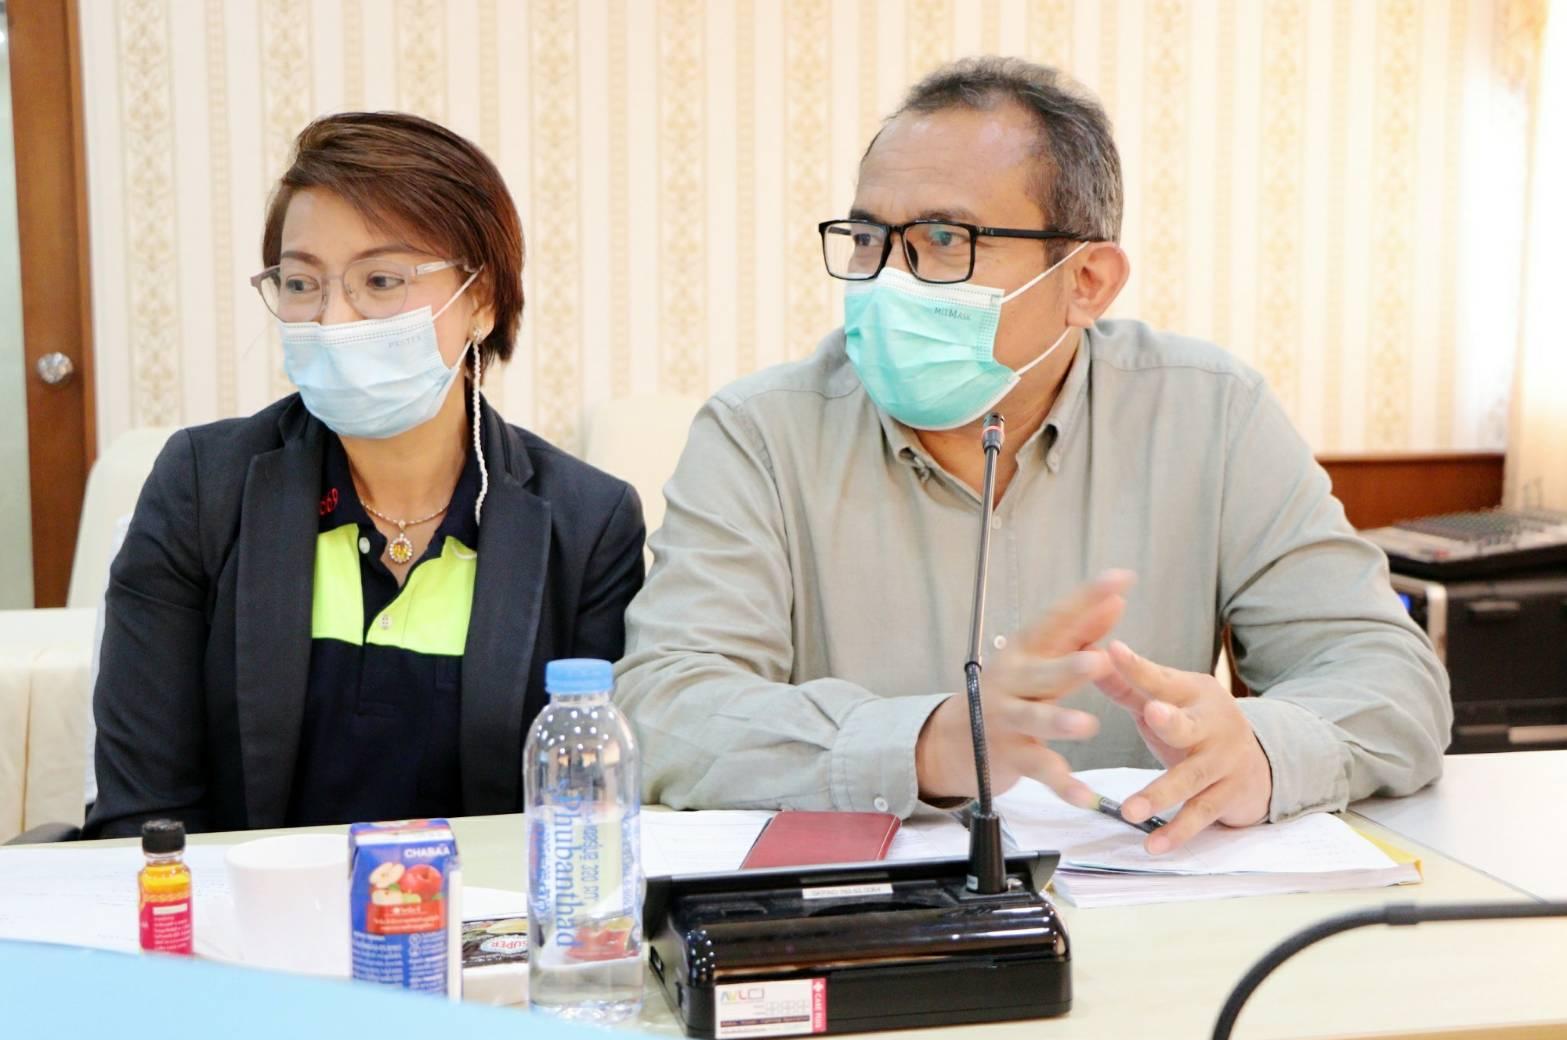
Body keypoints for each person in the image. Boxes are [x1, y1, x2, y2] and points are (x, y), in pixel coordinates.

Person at [614, 57, 1450, 854]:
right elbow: (662, 706)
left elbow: (1388, 677)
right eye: (868, 238)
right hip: (876, 920)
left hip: (1160, 898)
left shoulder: (1212, 412)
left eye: (944, 237)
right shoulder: (758, 432)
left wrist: (1259, 751)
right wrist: (924, 745)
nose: (885, 279)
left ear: (1086, 281)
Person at [86, 113, 645, 838]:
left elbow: (589, 816)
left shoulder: (588, 525)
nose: (334, 320)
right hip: (248, 904)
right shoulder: (203, 488)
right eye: (301, 282)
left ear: (481, 299)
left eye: (380, 280)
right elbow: (143, 814)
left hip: (483, 909)